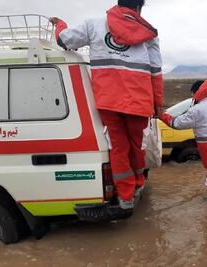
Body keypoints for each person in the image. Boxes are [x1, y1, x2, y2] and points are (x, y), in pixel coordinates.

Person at [49, 0, 164, 217]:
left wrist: (60, 24)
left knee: (119, 148)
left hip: (108, 101)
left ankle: (126, 196)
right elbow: (156, 72)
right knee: (136, 146)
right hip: (139, 102)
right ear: (139, 8)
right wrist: (158, 104)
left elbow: (65, 41)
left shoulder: (93, 25)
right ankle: (138, 182)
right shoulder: (149, 33)